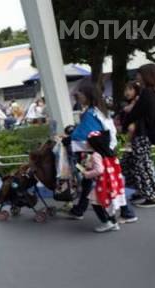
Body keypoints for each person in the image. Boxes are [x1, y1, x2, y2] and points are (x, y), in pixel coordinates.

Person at [66, 80, 137, 223]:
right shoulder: (98, 110)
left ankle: (114, 218)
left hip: (98, 154)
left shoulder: (91, 113)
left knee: (101, 186)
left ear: (88, 94)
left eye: (80, 93)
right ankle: (81, 209)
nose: (78, 95)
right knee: (107, 183)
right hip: (107, 152)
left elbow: (84, 135)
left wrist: (68, 139)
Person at [122, 64, 155, 208]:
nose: (137, 76)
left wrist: (127, 121)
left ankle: (153, 197)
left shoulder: (147, 93)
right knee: (135, 164)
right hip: (142, 134)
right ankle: (144, 192)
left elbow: (137, 113)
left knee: (143, 166)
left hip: (141, 134)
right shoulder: (152, 92)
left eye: (139, 74)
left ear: (147, 75)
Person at [79, 131, 128, 233]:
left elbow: (99, 170)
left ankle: (107, 222)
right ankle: (113, 222)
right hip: (113, 182)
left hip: (104, 184)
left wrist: (87, 174)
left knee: (95, 202)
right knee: (108, 203)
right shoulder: (109, 151)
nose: (86, 143)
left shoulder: (96, 155)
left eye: (88, 142)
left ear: (94, 143)